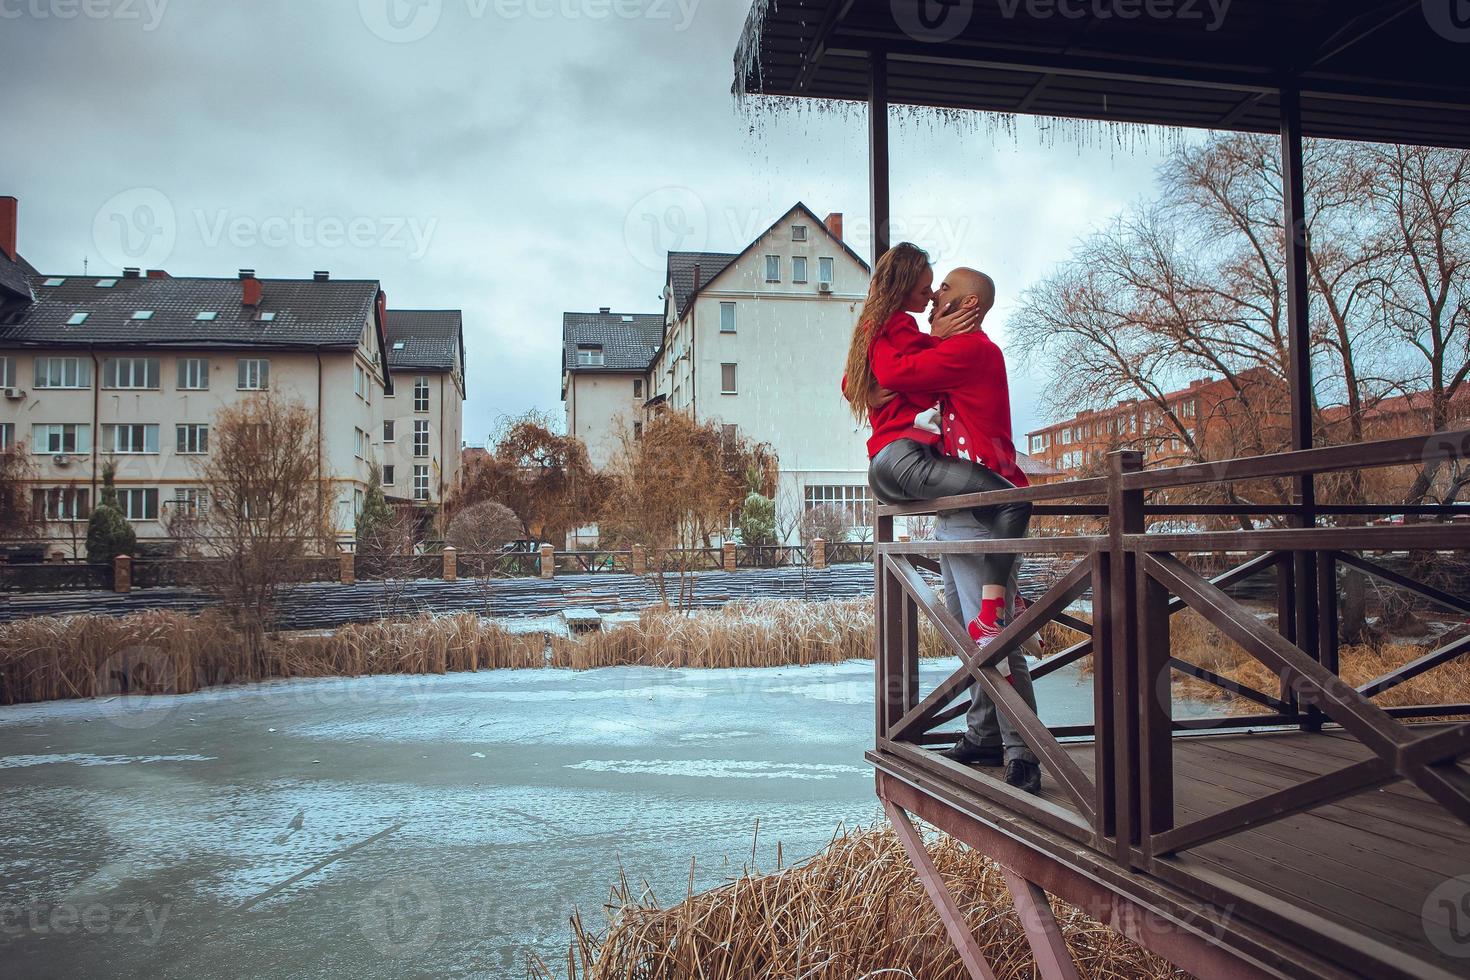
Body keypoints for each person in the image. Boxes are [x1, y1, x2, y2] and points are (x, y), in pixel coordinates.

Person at [844, 244, 1041, 794]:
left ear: (971, 304)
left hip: (985, 514)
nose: (935, 297)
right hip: (958, 517)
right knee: (971, 636)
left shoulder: (973, 350)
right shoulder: (954, 353)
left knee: (993, 635)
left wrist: (885, 370)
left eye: (947, 290)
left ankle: (1024, 750)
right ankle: (983, 734)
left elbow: (895, 368)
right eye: (933, 288)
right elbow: (888, 380)